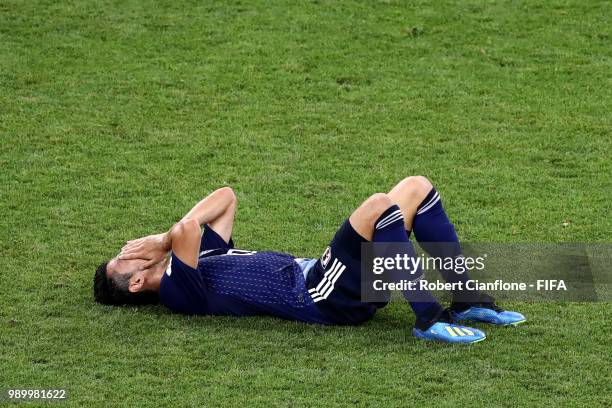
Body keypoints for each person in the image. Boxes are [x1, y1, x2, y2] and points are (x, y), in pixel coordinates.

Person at [94, 176, 525, 344]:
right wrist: (160, 239)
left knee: (415, 188)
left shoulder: (203, 258)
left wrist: (166, 239)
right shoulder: (175, 291)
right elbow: (186, 231)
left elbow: (226, 197)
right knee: (377, 205)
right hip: (318, 295)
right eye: (123, 258)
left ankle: (467, 298)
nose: (130, 249)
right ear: (135, 284)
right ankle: (427, 319)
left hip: (329, 278)